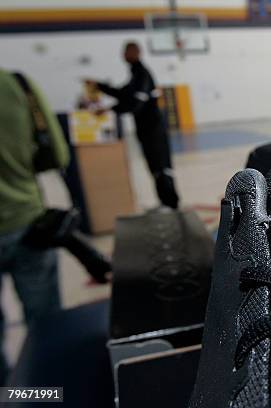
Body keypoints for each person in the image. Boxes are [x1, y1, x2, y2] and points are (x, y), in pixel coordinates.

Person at [0, 69, 69, 385]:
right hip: (25, 220)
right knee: (46, 326)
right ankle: (43, 396)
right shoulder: (18, 85)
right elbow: (57, 154)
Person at [85, 42, 179, 209]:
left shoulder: (142, 74)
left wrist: (110, 109)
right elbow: (124, 94)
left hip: (154, 129)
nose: (124, 55)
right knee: (154, 167)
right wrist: (99, 86)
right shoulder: (135, 75)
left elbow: (135, 103)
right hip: (145, 129)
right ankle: (164, 202)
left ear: (136, 53)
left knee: (161, 167)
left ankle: (171, 203)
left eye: (127, 52)